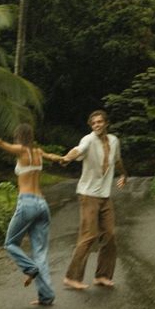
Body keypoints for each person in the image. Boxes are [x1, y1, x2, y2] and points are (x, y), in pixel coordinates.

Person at [0, 123, 64, 306]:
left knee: (10, 243)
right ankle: (46, 296)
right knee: (40, 253)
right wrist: (63, 158)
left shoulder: (21, 151)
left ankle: (30, 269)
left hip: (28, 202)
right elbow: (52, 157)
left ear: (18, 136)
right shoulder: (38, 152)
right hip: (42, 205)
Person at [61, 110, 127, 290]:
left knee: (110, 235)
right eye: (93, 123)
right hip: (88, 195)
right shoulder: (88, 140)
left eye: (99, 122)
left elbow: (117, 160)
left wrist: (123, 174)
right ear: (91, 126)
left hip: (105, 196)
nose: (97, 125)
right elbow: (78, 150)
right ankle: (71, 277)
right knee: (89, 236)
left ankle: (103, 275)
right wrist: (68, 157)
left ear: (106, 123)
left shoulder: (113, 141)